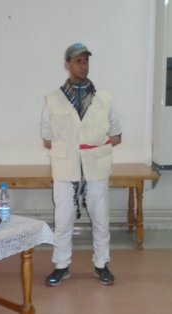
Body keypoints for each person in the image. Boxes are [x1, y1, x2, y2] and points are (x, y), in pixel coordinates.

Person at [40, 42, 122, 287]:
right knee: (63, 220)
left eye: (86, 60)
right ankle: (61, 266)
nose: (83, 65)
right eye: (78, 61)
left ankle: (101, 264)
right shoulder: (53, 100)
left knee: (101, 219)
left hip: (96, 167)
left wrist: (94, 148)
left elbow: (116, 135)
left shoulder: (104, 99)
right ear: (68, 64)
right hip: (65, 168)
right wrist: (72, 149)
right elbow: (47, 138)